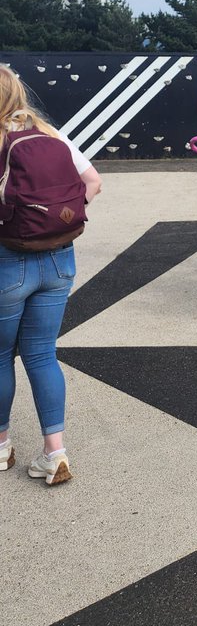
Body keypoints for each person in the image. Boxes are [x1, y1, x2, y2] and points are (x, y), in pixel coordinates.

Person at [0, 66, 102, 486]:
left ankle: (2, 446)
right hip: (61, 259)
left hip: (9, 262)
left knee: (1, 356)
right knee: (42, 354)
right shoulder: (48, 133)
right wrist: (53, 219)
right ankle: (54, 453)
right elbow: (93, 182)